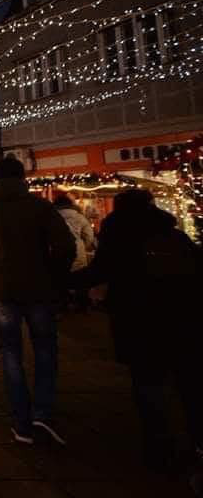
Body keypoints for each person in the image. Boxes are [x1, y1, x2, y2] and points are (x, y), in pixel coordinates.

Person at [70, 189, 202, 477]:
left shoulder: (119, 235)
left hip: (139, 320)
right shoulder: (175, 235)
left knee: (148, 385)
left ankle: (159, 450)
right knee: (189, 383)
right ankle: (197, 442)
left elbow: (99, 271)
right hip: (184, 320)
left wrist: (61, 282)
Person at [0, 156, 75, 446]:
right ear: (22, 177)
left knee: (11, 353)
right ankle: (42, 412)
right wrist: (53, 274)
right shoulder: (40, 207)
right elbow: (66, 247)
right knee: (45, 351)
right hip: (39, 289)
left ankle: (21, 421)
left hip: (3, 291)